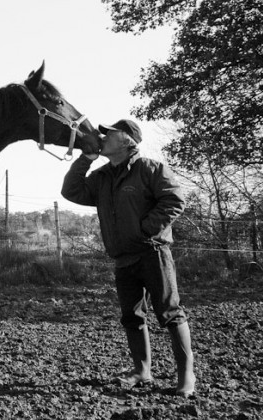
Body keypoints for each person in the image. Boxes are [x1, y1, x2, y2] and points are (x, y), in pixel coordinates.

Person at [61, 119, 195, 397]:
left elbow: (174, 201)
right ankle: (142, 370)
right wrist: (86, 159)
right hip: (122, 257)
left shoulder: (150, 169)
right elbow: (71, 191)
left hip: (152, 252)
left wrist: (144, 230)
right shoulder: (102, 177)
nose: (102, 136)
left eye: (109, 133)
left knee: (170, 314)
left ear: (127, 140)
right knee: (131, 317)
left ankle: (186, 377)